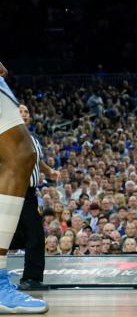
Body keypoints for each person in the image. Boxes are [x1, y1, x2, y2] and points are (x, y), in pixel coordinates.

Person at [0, 62, 47, 314]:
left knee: (22, 152)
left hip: (27, 192)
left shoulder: (38, 139)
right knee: (21, 152)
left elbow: (43, 163)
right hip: (18, 191)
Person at [11, 105, 58, 292]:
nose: (24, 115)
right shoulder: (7, 136)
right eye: (20, 112)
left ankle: (31, 278)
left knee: (34, 236)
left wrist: (50, 171)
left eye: (26, 112)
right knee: (21, 235)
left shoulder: (34, 138)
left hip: (29, 193)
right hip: (12, 191)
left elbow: (38, 160)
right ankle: (30, 277)